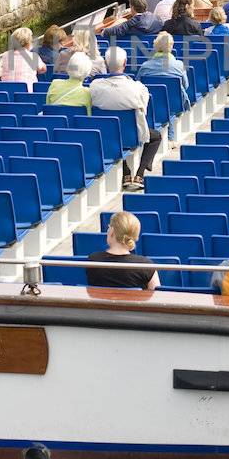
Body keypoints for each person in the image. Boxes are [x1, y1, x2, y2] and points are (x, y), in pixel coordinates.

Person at [89, 45, 162, 189]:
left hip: (105, 135)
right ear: (125, 64)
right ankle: (140, 174)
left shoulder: (94, 87)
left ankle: (127, 171)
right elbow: (144, 110)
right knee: (155, 136)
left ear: (106, 63)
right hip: (130, 134)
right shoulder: (138, 88)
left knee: (115, 129)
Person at [84, 211, 158, 290]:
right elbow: (157, 297)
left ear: (112, 231)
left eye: (109, 227)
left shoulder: (93, 260)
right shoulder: (146, 266)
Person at [137, 31, 191, 104]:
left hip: (151, 104)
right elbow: (186, 86)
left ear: (155, 46)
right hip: (176, 104)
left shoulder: (145, 67)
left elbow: (138, 84)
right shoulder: (179, 65)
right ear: (171, 46)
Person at [0, 26, 46, 91]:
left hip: (7, 93)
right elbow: (43, 69)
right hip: (26, 96)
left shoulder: (5, 55)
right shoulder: (33, 56)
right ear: (28, 43)